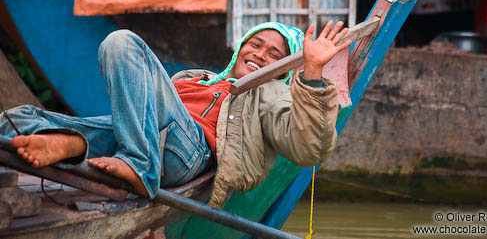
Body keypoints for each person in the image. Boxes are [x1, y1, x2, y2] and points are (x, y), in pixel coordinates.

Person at [0, 20, 351, 207]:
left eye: (274, 54)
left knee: (122, 42)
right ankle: (70, 143)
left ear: (282, 70)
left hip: (188, 153)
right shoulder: (193, 79)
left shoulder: (271, 93)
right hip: (147, 137)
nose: (259, 54)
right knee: (25, 120)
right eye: (254, 44)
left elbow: (310, 150)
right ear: (240, 48)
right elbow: (136, 116)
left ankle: (136, 163)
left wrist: (313, 73)